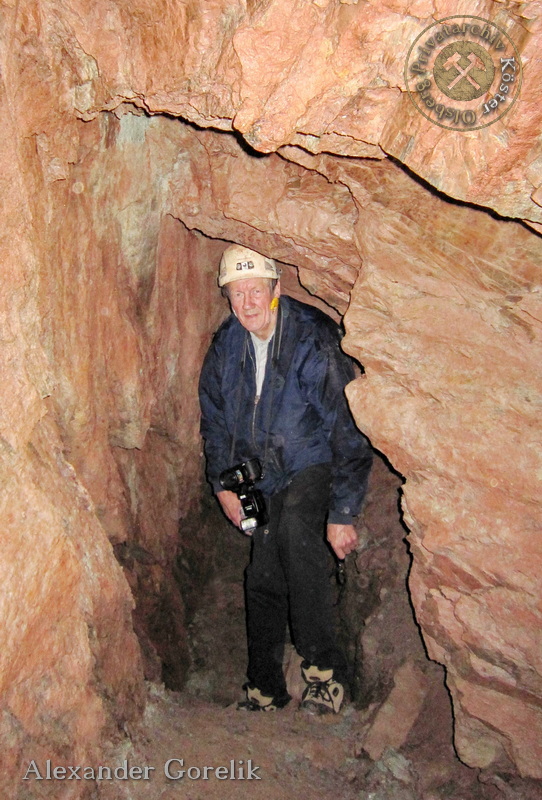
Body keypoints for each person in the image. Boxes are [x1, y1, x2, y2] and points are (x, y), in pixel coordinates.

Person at [198, 244, 373, 714]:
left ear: (277, 290)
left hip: (312, 463)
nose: (247, 302)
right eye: (237, 293)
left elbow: (349, 427)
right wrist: (222, 485)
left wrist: (342, 512)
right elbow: (214, 421)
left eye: (256, 290)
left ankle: (324, 673)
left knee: (298, 535)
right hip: (264, 476)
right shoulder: (227, 345)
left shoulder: (311, 340)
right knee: (261, 574)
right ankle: (264, 686)